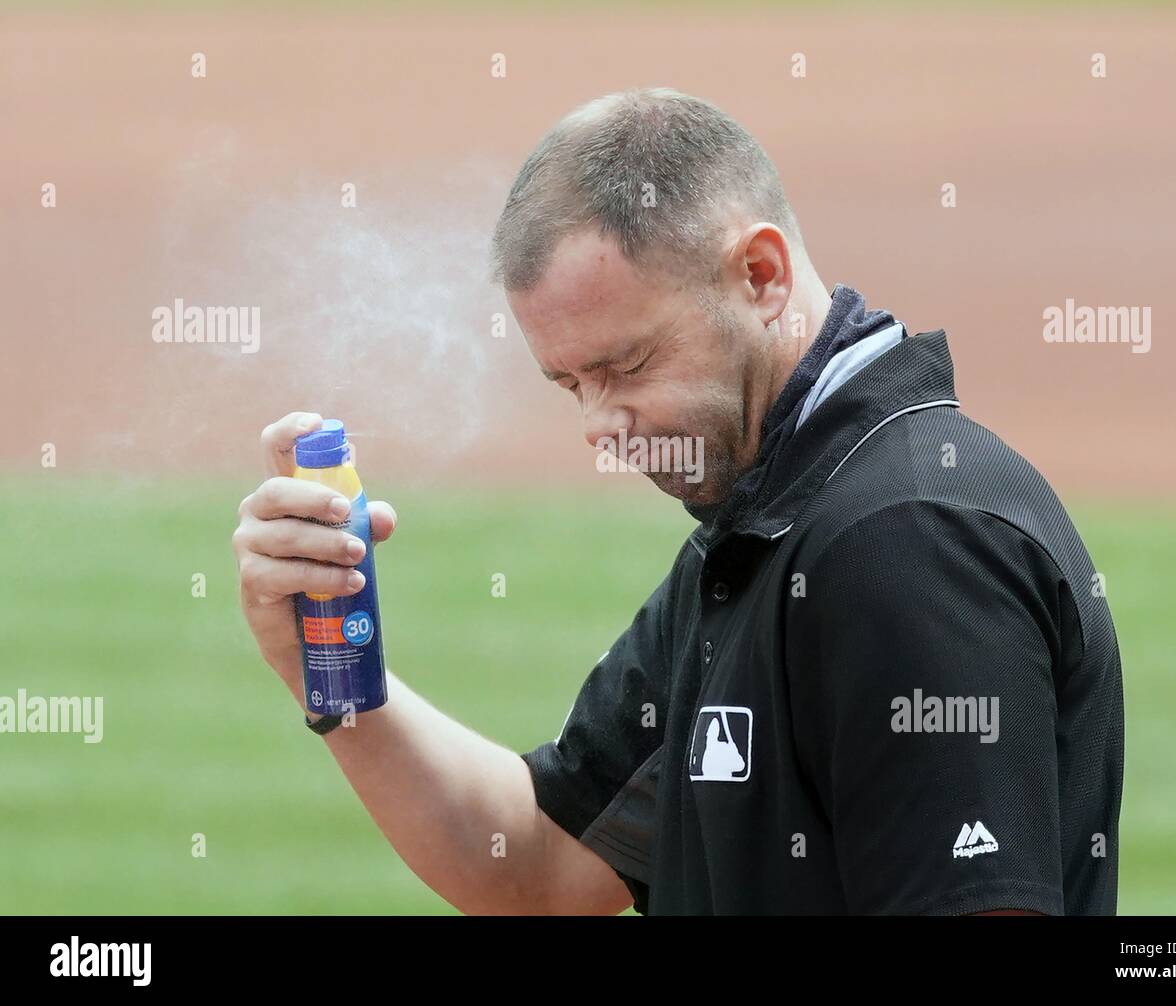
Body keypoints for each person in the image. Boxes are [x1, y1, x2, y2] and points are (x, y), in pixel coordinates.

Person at [233, 88, 1124, 915]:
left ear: (761, 274)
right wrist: (330, 671)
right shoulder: (765, 528)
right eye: (567, 383)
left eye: (626, 367)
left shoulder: (906, 541)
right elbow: (538, 863)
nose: (599, 426)